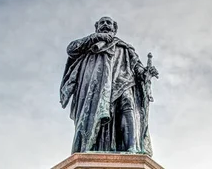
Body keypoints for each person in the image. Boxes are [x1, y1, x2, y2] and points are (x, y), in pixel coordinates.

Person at [60, 16, 157, 155]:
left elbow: (136, 66)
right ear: (97, 27)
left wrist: (145, 73)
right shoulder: (89, 44)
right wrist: (96, 37)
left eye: (109, 23)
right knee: (96, 115)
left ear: (114, 27)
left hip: (123, 80)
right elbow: (71, 49)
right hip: (97, 86)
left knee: (128, 104)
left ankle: (132, 147)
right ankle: (92, 146)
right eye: (102, 23)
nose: (105, 24)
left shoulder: (123, 46)